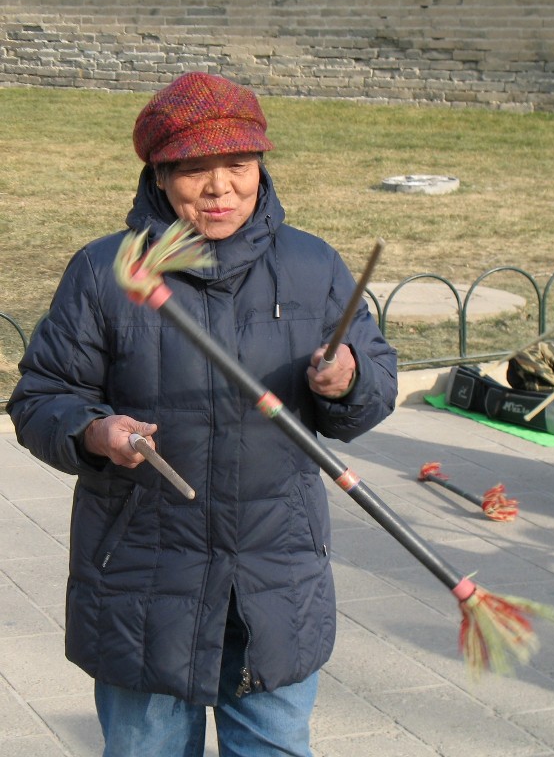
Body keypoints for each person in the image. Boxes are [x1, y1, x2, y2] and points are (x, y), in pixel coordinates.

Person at [6, 71, 398, 755]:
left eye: (237, 166)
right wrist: (95, 432)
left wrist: (347, 381)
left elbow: (370, 392)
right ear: (158, 176)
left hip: (274, 577)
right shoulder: (108, 273)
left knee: (274, 745)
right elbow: (41, 397)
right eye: (193, 169)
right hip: (144, 578)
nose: (219, 188)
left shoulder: (311, 267)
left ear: (260, 167)